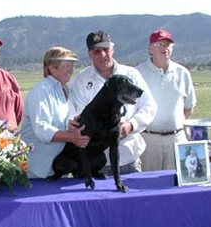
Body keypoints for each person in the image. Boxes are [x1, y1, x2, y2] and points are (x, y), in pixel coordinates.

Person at [69, 30, 157, 174]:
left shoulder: (130, 74)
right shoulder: (81, 80)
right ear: (90, 54)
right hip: (96, 162)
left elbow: (149, 106)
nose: (102, 55)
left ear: (112, 49)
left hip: (128, 158)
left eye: (105, 49)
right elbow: (76, 113)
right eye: (96, 51)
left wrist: (131, 125)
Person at [21, 47, 90, 179]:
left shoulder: (64, 89)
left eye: (72, 66)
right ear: (52, 68)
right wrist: (72, 138)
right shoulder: (41, 91)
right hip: (38, 169)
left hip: (56, 167)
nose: (71, 70)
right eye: (66, 66)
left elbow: (59, 121)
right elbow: (41, 129)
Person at [136, 29, 197, 171]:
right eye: (159, 45)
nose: (164, 48)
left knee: (176, 185)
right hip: (148, 139)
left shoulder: (183, 73)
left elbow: (189, 107)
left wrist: (172, 126)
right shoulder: (138, 73)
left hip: (177, 139)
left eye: (168, 45)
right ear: (150, 49)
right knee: (148, 185)